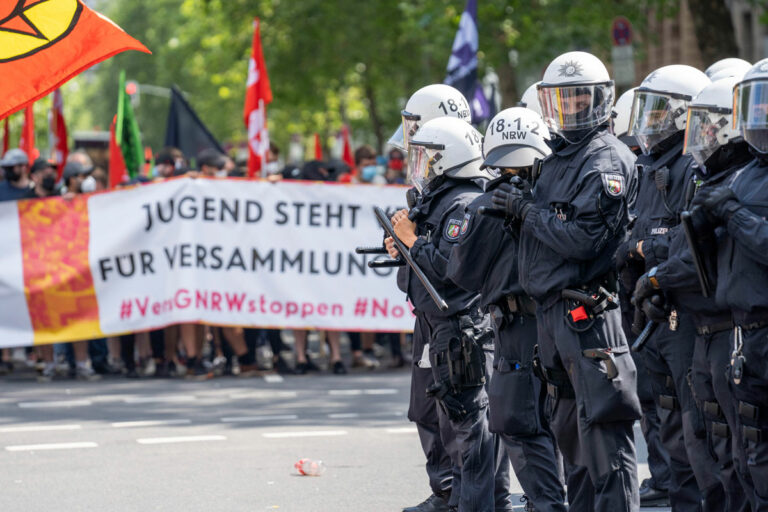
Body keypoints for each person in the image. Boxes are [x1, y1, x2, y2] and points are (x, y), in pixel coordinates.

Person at [493, 51, 641, 510]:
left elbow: (583, 238)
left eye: (581, 98)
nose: (573, 107)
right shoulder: (558, 157)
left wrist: (527, 211)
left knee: (603, 433)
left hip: (588, 315)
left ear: (601, 100)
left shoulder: (606, 161)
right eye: (564, 99)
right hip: (553, 314)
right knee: (569, 436)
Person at [633, 74, 755, 512]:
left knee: (737, 449)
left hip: (727, 327)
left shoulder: (737, 181)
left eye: (708, 125)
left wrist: (657, 276)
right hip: (696, 325)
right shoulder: (706, 176)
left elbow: (693, 255)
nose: (698, 135)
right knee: (701, 440)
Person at [447, 106, 567, 512]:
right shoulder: (556, 198)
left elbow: (462, 271)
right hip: (556, 319)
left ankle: (548, 504)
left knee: (517, 421)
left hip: (517, 328)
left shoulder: (487, 205)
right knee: (556, 419)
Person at [624, 65, 727, 511]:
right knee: (670, 424)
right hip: (654, 312)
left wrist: (648, 251)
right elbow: (630, 237)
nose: (650, 120)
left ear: (685, 115)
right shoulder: (646, 166)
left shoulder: (691, 166)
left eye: (659, 111)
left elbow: (689, 245)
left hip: (687, 313)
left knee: (698, 430)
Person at [388, 116, 497, 511]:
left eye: (428, 158)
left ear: (447, 160)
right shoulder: (440, 200)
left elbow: (452, 269)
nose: (420, 167)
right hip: (436, 324)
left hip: (459, 328)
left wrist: (411, 241)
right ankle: (454, 499)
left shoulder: (463, 203)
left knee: (469, 429)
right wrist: (403, 244)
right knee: (443, 418)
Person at [691, 57, 768, 510]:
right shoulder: (744, 174)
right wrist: (700, 224)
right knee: (749, 453)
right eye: (755, 107)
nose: (760, 120)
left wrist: (732, 214)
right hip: (745, 333)